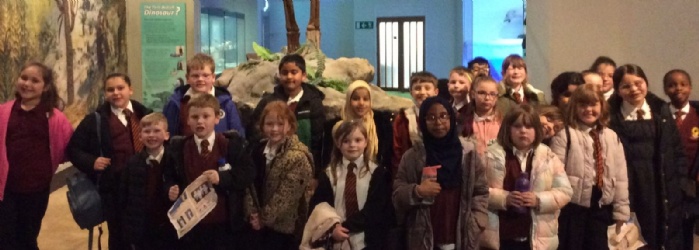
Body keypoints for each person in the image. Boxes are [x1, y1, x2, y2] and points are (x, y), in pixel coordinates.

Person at [608, 64, 690, 250]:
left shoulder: (661, 110)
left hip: (662, 186)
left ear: (646, 83)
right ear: (618, 90)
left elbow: (676, 150)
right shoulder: (611, 116)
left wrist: (681, 184)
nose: (634, 89)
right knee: (634, 239)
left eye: (638, 83)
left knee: (664, 236)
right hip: (630, 187)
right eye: (626, 86)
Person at [68, 73, 152, 250]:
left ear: (130, 89)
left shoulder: (145, 115)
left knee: (146, 231)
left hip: (145, 184)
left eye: (120, 88)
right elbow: (73, 149)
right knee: (119, 235)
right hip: (114, 189)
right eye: (110, 90)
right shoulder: (95, 120)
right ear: (105, 94)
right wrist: (91, 161)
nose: (116, 93)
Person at [393, 96, 489, 250]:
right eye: (431, 117)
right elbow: (397, 194)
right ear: (422, 122)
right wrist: (417, 191)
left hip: (462, 236)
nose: (438, 123)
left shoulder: (469, 154)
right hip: (424, 238)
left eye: (443, 116)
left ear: (451, 118)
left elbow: (481, 192)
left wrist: (476, 222)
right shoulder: (413, 156)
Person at [164, 94, 254, 249]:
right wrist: (170, 188)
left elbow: (248, 173)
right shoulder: (178, 148)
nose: (200, 121)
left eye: (206, 116)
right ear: (188, 120)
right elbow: (169, 177)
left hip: (224, 226)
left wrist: (222, 177)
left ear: (217, 118)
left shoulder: (232, 145)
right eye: (195, 116)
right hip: (192, 227)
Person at [0, 62, 73, 249]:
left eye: (35, 80)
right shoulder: (3, 112)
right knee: (6, 238)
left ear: (46, 86)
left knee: (27, 237)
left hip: (36, 189)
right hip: (6, 188)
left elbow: (68, 149)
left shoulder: (56, 118)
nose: (27, 84)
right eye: (24, 78)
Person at [480, 104, 572, 250]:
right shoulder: (490, 155)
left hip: (536, 239)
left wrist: (538, 199)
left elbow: (565, 191)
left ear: (537, 130)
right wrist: (504, 198)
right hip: (500, 237)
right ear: (507, 129)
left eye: (529, 127)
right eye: (517, 126)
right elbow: (477, 191)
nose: (523, 131)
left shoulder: (548, 156)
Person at [550, 84, 629, 250]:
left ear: (601, 105)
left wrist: (621, 212)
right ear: (574, 107)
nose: (588, 110)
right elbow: (555, 175)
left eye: (593, 104)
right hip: (572, 208)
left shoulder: (611, 136)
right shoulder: (565, 134)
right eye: (583, 105)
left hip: (601, 206)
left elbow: (621, 178)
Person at [309, 120, 395, 249]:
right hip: (337, 241)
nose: (352, 145)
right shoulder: (328, 174)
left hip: (368, 241)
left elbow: (376, 209)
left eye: (358, 140)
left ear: (366, 142)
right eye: (346, 141)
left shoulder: (377, 173)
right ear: (338, 143)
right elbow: (320, 207)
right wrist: (332, 229)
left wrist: (345, 227)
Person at [245, 100, 313, 250]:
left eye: (280, 124)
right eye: (269, 124)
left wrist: (263, 219)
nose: (274, 129)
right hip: (257, 226)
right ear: (262, 125)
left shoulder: (298, 157)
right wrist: (252, 213)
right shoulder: (257, 149)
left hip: (283, 229)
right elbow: (249, 184)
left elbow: (286, 196)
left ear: (290, 126)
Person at [249, 54, 325, 177]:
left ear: (304, 75)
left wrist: (316, 175)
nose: (289, 76)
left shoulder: (313, 103)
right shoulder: (268, 101)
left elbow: (318, 141)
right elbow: (254, 131)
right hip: (270, 165)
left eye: (294, 72)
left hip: (304, 167)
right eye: (284, 73)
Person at [121, 113, 177, 249]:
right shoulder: (132, 163)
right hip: (142, 227)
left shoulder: (175, 160)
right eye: (147, 131)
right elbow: (124, 197)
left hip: (169, 226)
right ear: (140, 136)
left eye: (157, 131)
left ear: (166, 135)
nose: (151, 135)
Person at [163, 53, 245, 137]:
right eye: (195, 76)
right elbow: (167, 136)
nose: (200, 79)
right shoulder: (175, 103)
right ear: (187, 78)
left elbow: (238, 137)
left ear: (213, 77)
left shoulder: (226, 104)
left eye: (205, 75)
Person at [662, 69, 699, 250]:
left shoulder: (697, 115)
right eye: (672, 85)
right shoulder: (660, 116)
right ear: (665, 90)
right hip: (667, 185)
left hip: (692, 187)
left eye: (683, 84)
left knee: (688, 230)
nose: (678, 88)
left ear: (690, 88)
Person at [333, 80, 393, 170]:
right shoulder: (338, 126)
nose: (361, 103)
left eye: (365, 99)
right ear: (348, 100)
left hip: (374, 175)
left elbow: (388, 157)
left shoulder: (381, 124)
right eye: (356, 99)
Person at [392, 71, 440, 178]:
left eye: (427, 88)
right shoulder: (403, 118)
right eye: (417, 88)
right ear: (411, 92)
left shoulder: (442, 117)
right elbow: (397, 149)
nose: (422, 92)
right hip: (409, 172)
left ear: (436, 92)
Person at [461, 76, 502, 155]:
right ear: (473, 94)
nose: (487, 98)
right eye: (482, 93)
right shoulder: (463, 120)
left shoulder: (502, 121)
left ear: (497, 97)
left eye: (492, 94)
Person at [448, 66, 474, 135]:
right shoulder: (446, 106)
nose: (456, 86)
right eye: (453, 82)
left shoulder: (473, 109)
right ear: (448, 85)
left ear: (471, 86)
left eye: (461, 83)